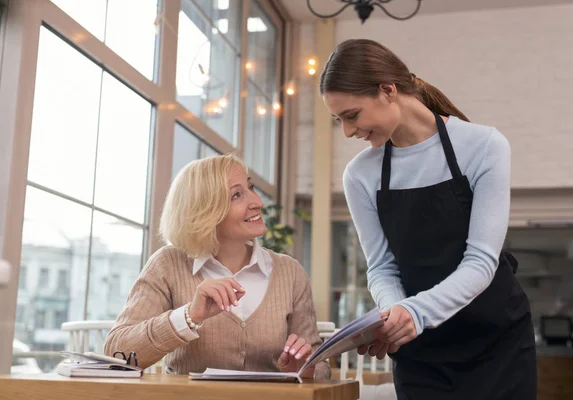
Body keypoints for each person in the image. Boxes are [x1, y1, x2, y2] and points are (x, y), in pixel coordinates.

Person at [319, 39, 536, 399]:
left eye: (351, 115)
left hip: (497, 342)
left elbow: (481, 260)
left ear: (388, 91)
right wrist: (393, 316)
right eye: (338, 120)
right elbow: (382, 268)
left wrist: (413, 313)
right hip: (420, 350)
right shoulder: (360, 175)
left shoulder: (483, 147)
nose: (347, 131)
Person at [105, 154, 329, 379]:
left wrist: (307, 369)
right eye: (237, 195)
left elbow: (321, 368)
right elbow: (118, 354)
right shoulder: (167, 264)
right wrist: (188, 316)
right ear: (204, 211)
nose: (258, 202)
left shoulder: (289, 271)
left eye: (250, 187)